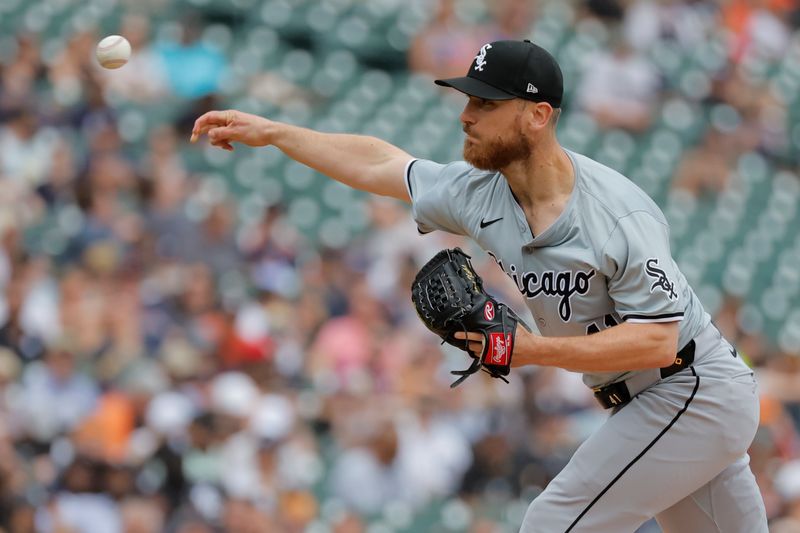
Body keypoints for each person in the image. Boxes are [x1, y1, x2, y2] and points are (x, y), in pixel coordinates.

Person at [191, 40, 768, 532]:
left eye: (485, 102)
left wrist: (533, 350)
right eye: (467, 98)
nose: (466, 114)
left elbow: (658, 341)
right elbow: (379, 165)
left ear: (537, 116)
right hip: (652, 400)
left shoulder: (616, 214)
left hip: (691, 386)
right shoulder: (480, 193)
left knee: (550, 524)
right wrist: (275, 132)